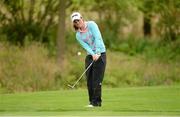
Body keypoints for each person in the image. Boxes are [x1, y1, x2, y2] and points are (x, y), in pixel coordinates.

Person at [70, 12, 106, 107]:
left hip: (101, 53)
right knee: (89, 79)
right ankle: (92, 102)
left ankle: (97, 102)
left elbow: (98, 37)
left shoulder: (92, 25)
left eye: (78, 20)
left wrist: (97, 52)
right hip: (90, 55)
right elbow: (86, 46)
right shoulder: (78, 35)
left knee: (96, 79)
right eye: (75, 22)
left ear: (82, 18)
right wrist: (93, 54)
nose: (77, 22)